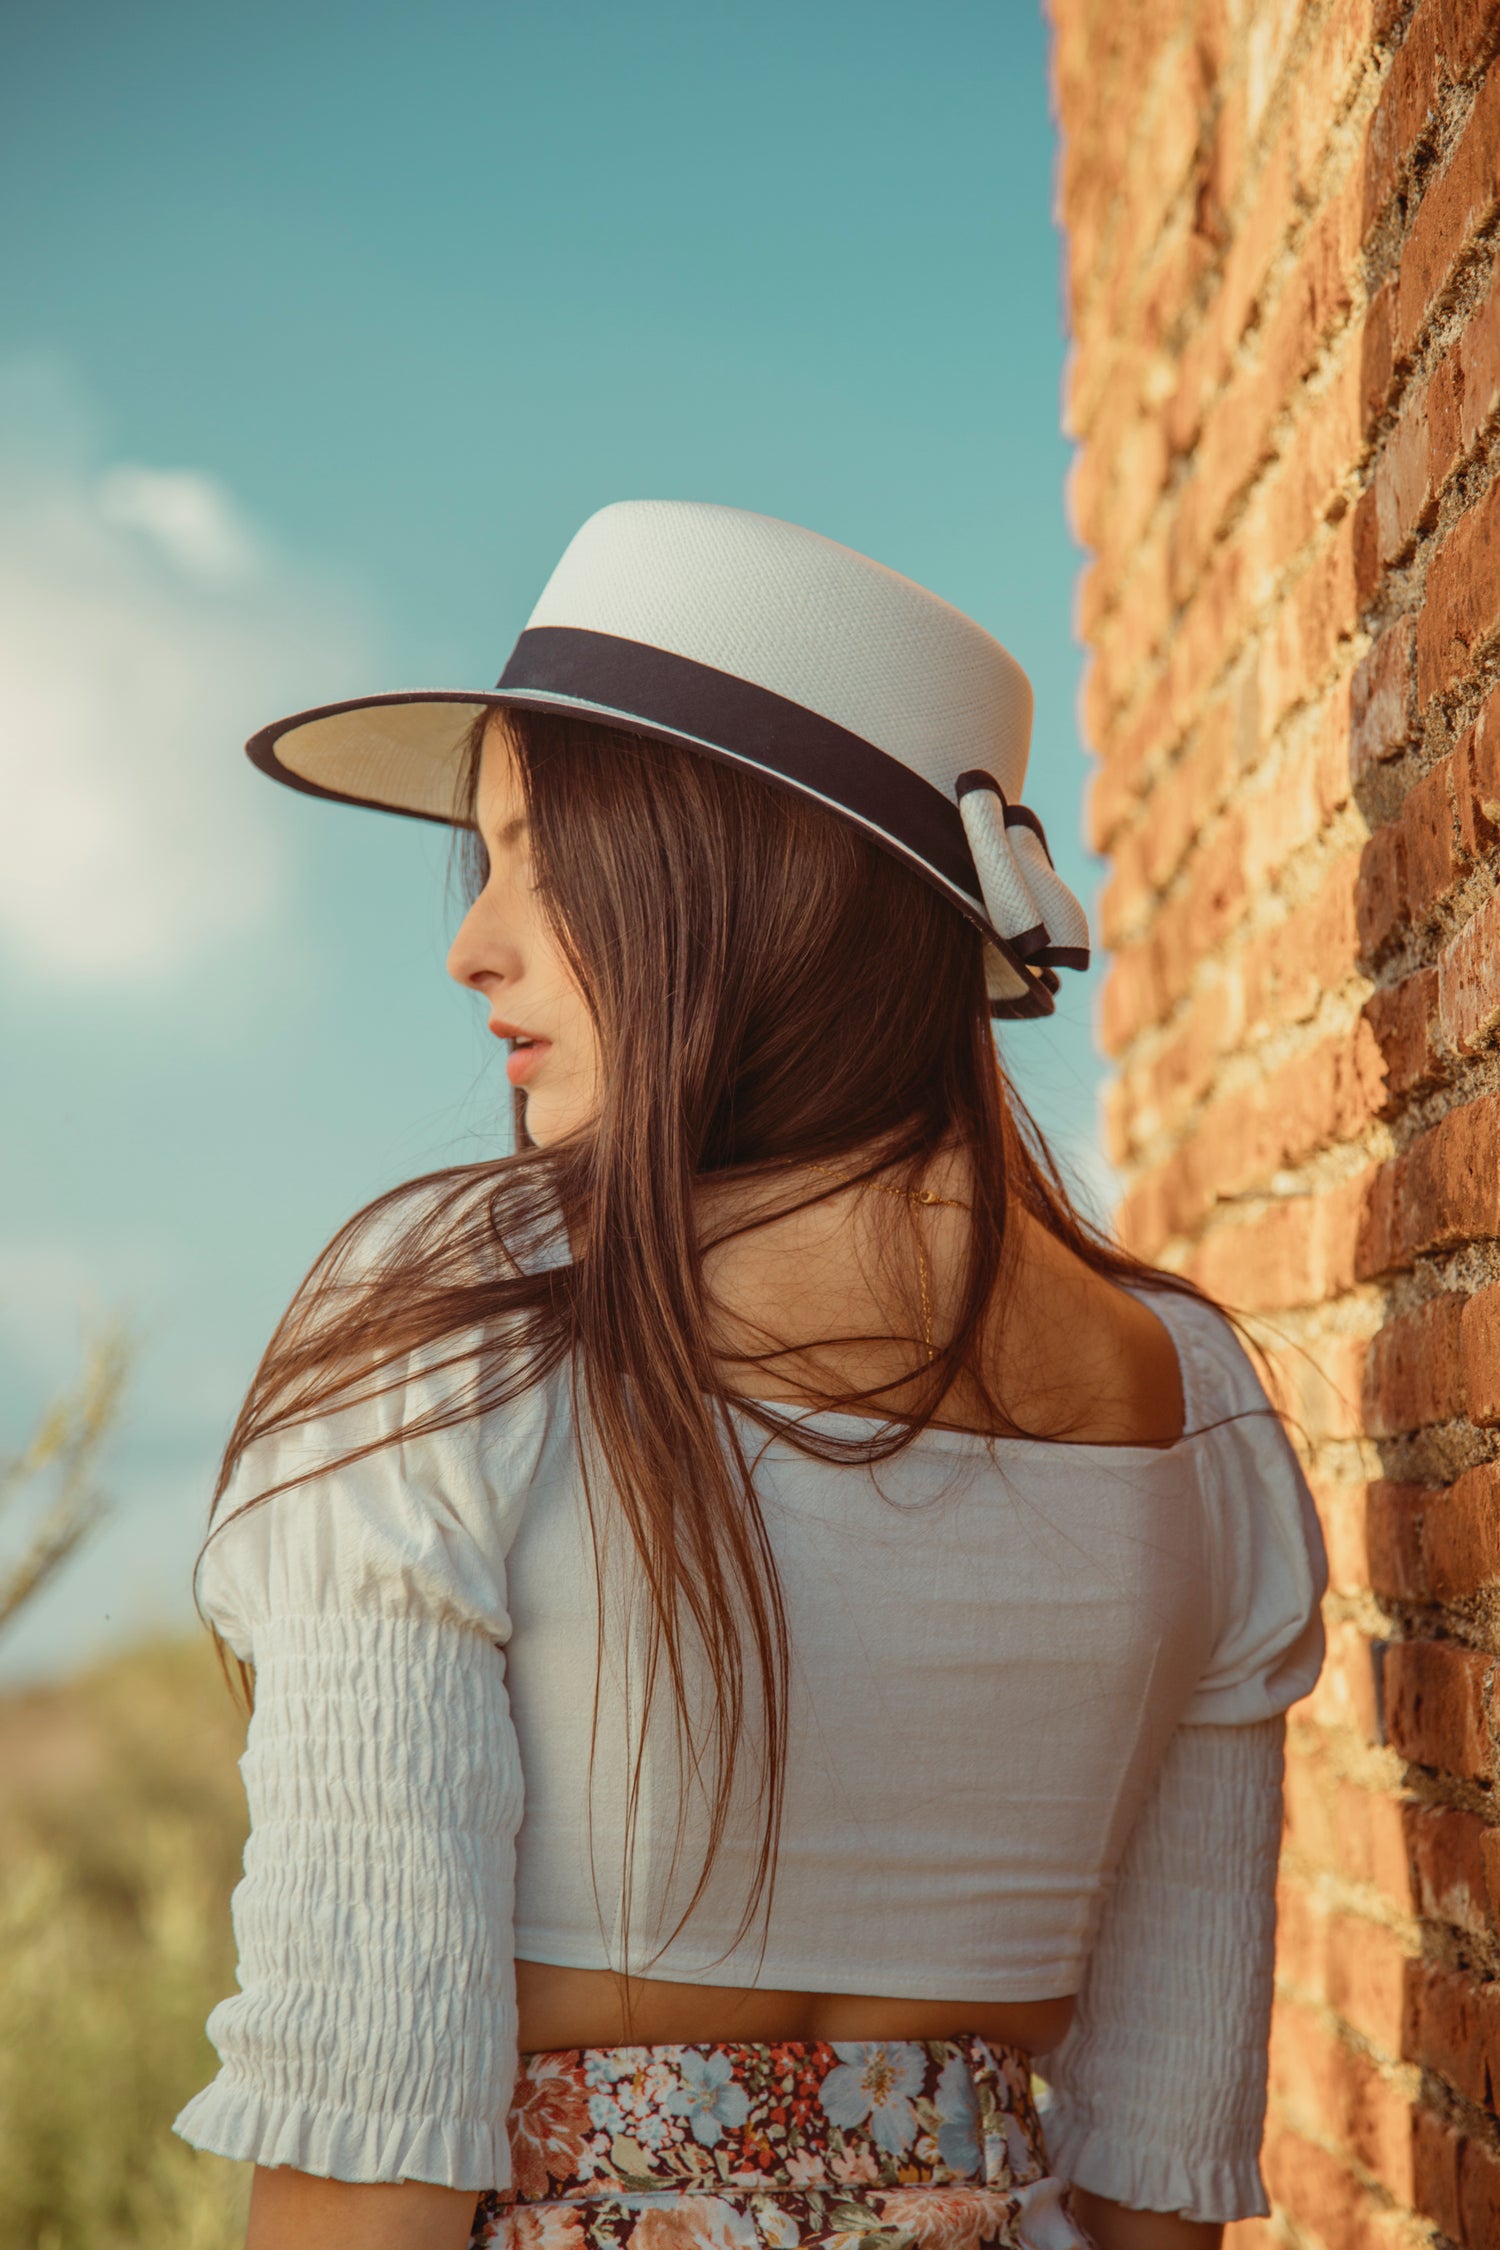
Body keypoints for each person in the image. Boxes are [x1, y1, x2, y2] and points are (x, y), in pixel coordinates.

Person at [174, 503, 1326, 2250]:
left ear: (747, 873)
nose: (469, 943)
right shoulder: (1194, 1398)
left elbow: (366, 2118)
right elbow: (1164, 2169)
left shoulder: (462, 1311)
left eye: (533, 853)